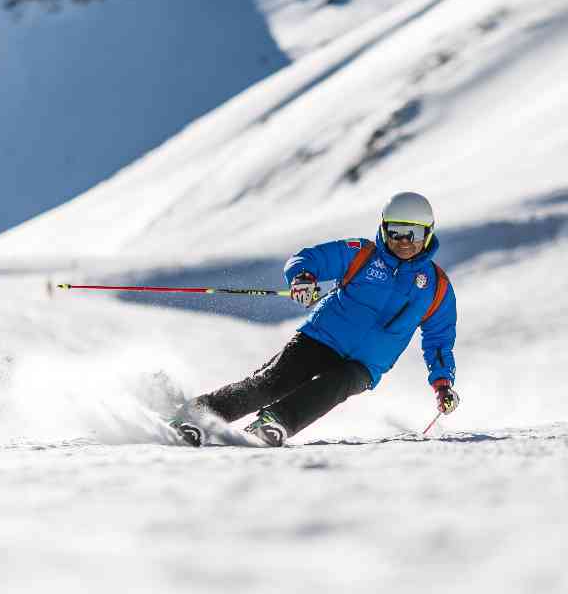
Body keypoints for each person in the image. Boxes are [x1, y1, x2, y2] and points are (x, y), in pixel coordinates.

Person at [170, 191, 459, 447]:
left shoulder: (436, 287)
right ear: (383, 229)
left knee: (337, 385)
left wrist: (443, 384)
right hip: (321, 338)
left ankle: (274, 422)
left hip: (366, 364)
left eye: (414, 234)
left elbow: (438, 341)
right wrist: (303, 278)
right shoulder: (363, 254)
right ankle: (195, 415)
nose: (404, 242)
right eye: (396, 232)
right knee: (271, 383)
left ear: (428, 234)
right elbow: (309, 258)